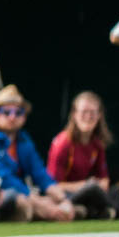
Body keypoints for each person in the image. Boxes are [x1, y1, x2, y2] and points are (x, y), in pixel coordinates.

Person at [0, 85, 75, 223]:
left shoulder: (23, 141)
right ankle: (45, 213)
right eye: (6, 112)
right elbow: (2, 179)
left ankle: (57, 212)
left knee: (47, 200)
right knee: (21, 201)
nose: (13, 117)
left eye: (18, 112)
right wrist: (39, 202)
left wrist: (63, 200)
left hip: (12, 192)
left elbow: (40, 175)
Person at [46, 91, 114, 219]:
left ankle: (99, 211)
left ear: (99, 115)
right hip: (63, 196)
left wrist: (95, 185)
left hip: (91, 195)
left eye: (92, 113)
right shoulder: (62, 143)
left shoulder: (97, 144)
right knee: (92, 188)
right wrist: (85, 185)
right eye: (84, 112)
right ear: (74, 114)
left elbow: (104, 181)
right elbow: (52, 186)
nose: (88, 117)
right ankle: (108, 210)